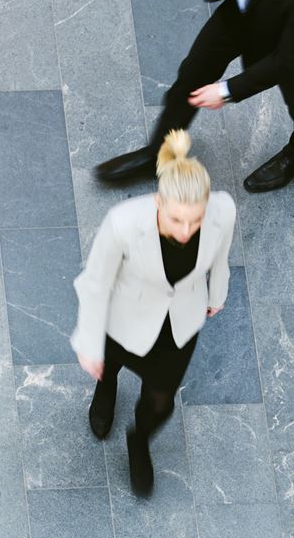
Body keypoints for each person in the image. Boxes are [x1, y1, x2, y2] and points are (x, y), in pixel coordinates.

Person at [72, 131, 236, 497]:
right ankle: (106, 386)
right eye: (177, 220)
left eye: (195, 221)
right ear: (159, 202)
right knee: (110, 365)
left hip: (178, 326)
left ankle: (139, 442)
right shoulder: (124, 223)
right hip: (123, 319)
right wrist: (88, 344)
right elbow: (96, 282)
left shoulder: (222, 211)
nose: (186, 231)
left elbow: (221, 255)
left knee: (161, 401)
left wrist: (217, 292)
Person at [94, 0, 294, 194]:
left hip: (292, 46)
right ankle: (158, 155)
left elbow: (286, 61)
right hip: (238, 15)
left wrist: (225, 91)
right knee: (192, 75)